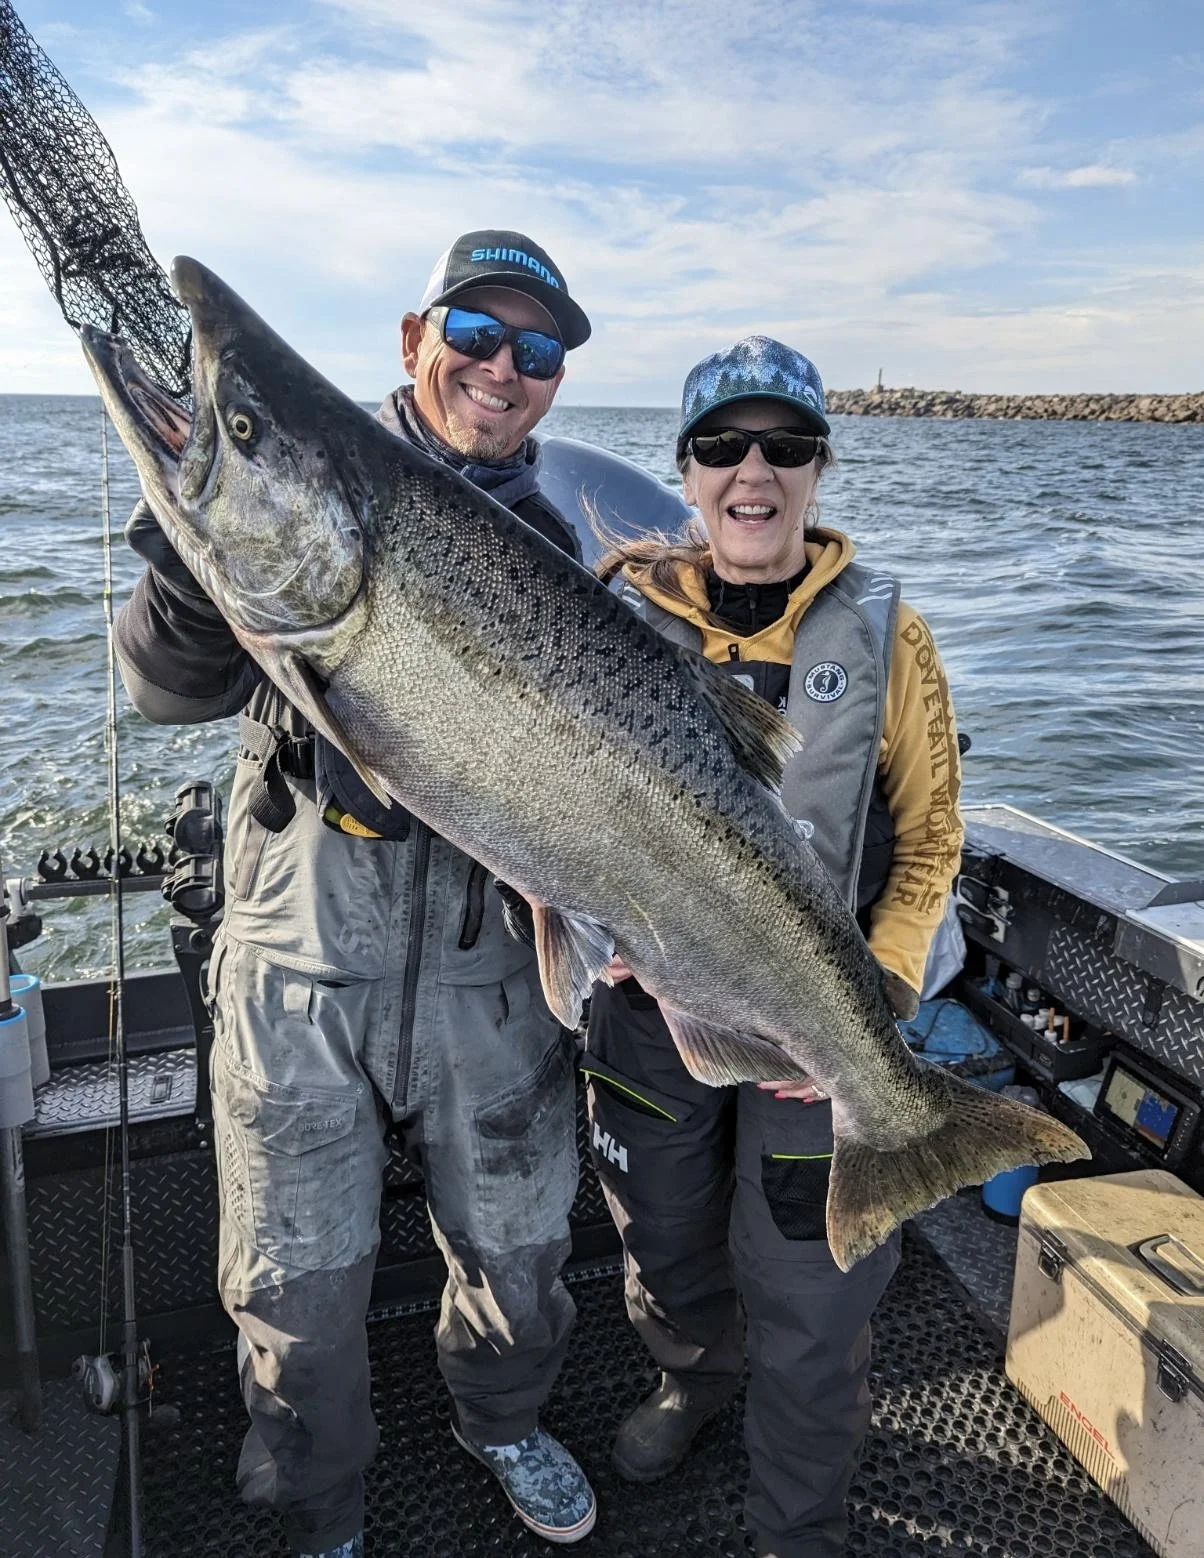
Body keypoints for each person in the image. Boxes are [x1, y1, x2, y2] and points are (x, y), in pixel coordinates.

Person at [114, 231, 598, 1558]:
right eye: (474, 334)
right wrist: (192, 559)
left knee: (520, 1250)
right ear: (411, 340)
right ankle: (320, 1505)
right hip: (298, 951)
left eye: (535, 350)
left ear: (554, 382)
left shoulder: (556, 547)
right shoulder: (306, 482)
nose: (502, 367)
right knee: (294, 1281)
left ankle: (502, 1421)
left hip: (487, 967)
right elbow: (160, 687)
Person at [584, 335, 965, 1558]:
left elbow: (931, 839)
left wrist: (871, 998)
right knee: (662, 1235)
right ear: (686, 470)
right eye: (723, 445)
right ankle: (691, 1376)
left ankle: (797, 1522)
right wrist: (586, 927)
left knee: (812, 1290)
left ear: (818, 468)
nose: (753, 470)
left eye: (784, 445)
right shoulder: (613, 615)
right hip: (651, 1014)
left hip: (815, 1023)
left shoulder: (891, 637)